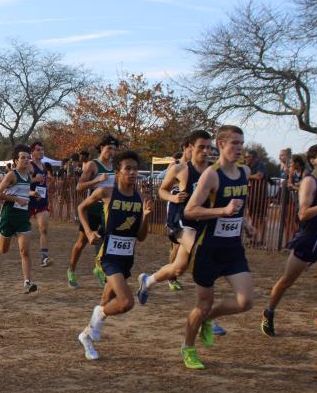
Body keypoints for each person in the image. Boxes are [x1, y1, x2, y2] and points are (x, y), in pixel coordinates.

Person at [180, 125, 255, 370]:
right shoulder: (211, 175)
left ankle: (209, 319)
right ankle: (188, 347)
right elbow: (190, 210)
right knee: (203, 304)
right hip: (208, 249)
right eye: (235, 143)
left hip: (232, 249)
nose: (239, 148)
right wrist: (222, 211)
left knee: (245, 301)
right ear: (221, 144)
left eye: (241, 143)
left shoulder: (244, 171)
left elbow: (239, 205)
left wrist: (246, 223)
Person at [261, 142, 317, 340]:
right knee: (286, 282)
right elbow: (303, 214)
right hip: (307, 239)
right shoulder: (309, 182)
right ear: (313, 160)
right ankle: (269, 311)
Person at [77, 150, 153, 360]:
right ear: (118, 172)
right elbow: (81, 208)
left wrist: (146, 217)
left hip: (126, 257)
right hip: (108, 256)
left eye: (135, 169)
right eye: (128, 169)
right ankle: (98, 315)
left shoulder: (140, 198)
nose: (133, 172)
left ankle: (86, 336)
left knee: (106, 299)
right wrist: (89, 231)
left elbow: (141, 237)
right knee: (126, 302)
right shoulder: (106, 192)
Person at [137, 131, 213, 309]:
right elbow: (162, 190)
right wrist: (174, 197)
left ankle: (147, 281)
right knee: (202, 253)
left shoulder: (213, 171)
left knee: (178, 268)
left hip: (202, 220)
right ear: (190, 147)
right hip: (181, 220)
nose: (206, 151)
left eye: (209, 148)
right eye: (201, 147)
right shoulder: (179, 168)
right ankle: (205, 311)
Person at [0, 144, 39, 294]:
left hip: (23, 218)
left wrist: (32, 194)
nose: (26, 160)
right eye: (22, 158)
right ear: (15, 160)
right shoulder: (11, 175)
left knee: (24, 250)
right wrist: (17, 200)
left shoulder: (28, 176)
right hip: (8, 216)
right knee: (3, 249)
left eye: (28, 158)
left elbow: (23, 191)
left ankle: (27, 282)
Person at [67, 134, 119, 289]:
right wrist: (98, 180)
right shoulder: (92, 165)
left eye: (114, 149)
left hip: (107, 210)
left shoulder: (112, 165)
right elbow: (79, 187)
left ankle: (99, 269)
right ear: (101, 148)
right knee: (82, 242)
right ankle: (71, 270)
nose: (111, 152)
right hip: (92, 209)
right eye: (109, 148)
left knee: (107, 241)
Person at [28, 141, 53, 267]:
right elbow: (22, 183)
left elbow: (42, 184)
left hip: (42, 202)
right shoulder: (29, 166)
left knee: (44, 229)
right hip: (27, 202)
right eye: (38, 150)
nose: (41, 151)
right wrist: (34, 179)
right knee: (14, 231)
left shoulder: (43, 166)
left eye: (42, 149)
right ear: (32, 152)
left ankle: (44, 258)